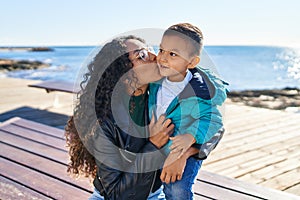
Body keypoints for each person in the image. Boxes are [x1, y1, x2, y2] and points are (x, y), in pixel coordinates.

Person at [65, 35, 175, 200]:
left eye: (151, 50)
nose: (155, 57)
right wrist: (153, 145)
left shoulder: (165, 97)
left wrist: (193, 148)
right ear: (122, 74)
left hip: (155, 195)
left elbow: (213, 126)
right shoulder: (105, 122)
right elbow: (117, 194)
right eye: (142, 55)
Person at [148, 23, 228, 199]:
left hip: (186, 149)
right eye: (161, 50)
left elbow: (214, 121)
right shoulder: (156, 81)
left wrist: (190, 137)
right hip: (159, 146)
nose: (162, 58)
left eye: (173, 54)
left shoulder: (197, 92)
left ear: (191, 62)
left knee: (177, 189)